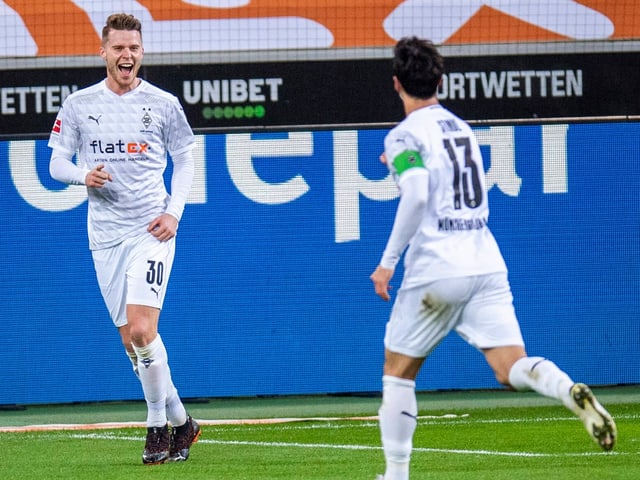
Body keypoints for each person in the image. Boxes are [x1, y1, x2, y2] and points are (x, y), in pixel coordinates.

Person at [369, 36, 616, 480]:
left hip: (437, 267)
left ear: (395, 84)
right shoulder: (461, 128)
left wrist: (388, 261)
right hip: (485, 262)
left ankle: (396, 475)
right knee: (509, 366)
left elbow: (419, 191)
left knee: (398, 372)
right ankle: (566, 388)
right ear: (440, 81)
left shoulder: (405, 134)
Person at [48, 13, 200, 465]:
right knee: (134, 346)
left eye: (133, 47)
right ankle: (183, 423)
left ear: (141, 51)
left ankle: (156, 428)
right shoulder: (79, 104)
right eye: (118, 48)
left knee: (142, 329)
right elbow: (56, 163)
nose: (126, 55)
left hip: (151, 229)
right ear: (104, 52)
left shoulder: (164, 103)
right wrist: (81, 175)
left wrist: (174, 212)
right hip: (105, 236)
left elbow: (187, 160)